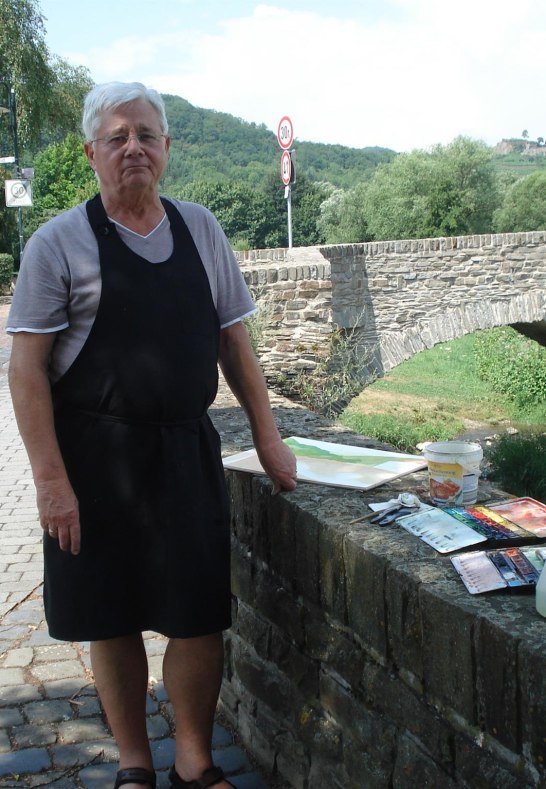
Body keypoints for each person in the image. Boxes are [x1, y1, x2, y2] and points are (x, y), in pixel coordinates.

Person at [7, 82, 297, 789]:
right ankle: (135, 762)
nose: (133, 146)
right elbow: (26, 372)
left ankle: (194, 759)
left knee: (197, 613)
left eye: (145, 133)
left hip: (185, 450)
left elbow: (235, 343)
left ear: (167, 148)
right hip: (95, 458)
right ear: (91, 153)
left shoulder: (200, 229)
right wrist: (50, 481)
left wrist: (269, 438)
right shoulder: (58, 244)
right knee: (112, 614)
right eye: (116, 136)